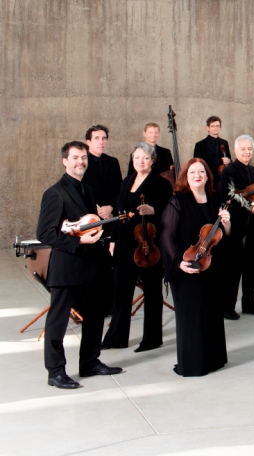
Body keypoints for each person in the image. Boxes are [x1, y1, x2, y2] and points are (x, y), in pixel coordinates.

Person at [36, 141, 123, 389]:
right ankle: (55, 371)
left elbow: (91, 224)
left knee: (95, 316)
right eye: (75, 158)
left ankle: (90, 362)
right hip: (67, 267)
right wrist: (79, 240)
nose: (80, 162)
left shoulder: (88, 190)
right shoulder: (54, 193)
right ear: (65, 161)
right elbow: (45, 233)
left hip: (92, 266)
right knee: (58, 320)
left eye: (83, 158)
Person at [161, 158, 230, 377]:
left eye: (202, 171)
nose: (197, 175)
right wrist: (178, 262)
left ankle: (213, 359)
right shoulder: (177, 202)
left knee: (211, 314)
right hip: (187, 268)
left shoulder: (215, 200)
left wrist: (227, 223)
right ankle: (193, 364)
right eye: (193, 172)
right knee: (192, 318)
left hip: (211, 266)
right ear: (186, 177)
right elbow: (166, 237)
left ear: (208, 177)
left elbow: (224, 237)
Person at [102, 143, 173, 351]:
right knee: (121, 291)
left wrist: (153, 210)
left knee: (151, 290)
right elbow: (118, 213)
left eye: (145, 158)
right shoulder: (126, 182)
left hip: (148, 244)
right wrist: (113, 241)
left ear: (152, 161)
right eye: (137, 158)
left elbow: (169, 213)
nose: (140, 161)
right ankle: (116, 338)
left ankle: (152, 339)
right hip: (125, 243)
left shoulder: (161, 184)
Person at [219, 135, 254, 319]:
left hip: (253, 224)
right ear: (236, 151)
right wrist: (249, 207)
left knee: (253, 265)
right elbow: (227, 195)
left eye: (250, 149)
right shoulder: (228, 171)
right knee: (234, 266)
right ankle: (227, 306)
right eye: (243, 149)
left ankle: (249, 303)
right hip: (237, 224)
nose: (247, 152)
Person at [82, 124, 123, 314]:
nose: (101, 142)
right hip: (90, 220)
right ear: (88, 142)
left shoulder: (112, 162)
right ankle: (92, 304)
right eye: (97, 138)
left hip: (111, 218)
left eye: (104, 138)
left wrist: (111, 207)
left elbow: (119, 190)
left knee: (110, 262)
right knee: (92, 263)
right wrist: (95, 211)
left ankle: (110, 304)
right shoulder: (82, 162)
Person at [193, 116, 232, 188]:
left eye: (217, 126)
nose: (215, 128)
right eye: (213, 126)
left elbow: (230, 159)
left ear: (220, 128)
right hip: (208, 178)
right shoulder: (200, 145)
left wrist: (229, 161)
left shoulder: (224, 143)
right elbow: (197, 164)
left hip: (222, 178)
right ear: (208, 128)